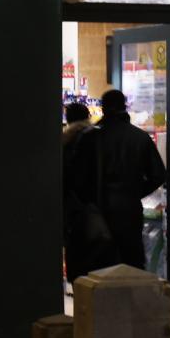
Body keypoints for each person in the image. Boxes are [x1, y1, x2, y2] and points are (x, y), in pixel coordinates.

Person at [73, 89, 166, 272]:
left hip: (99, 214)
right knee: (131, 266)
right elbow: (158, 175)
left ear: (103, 108)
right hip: (129, 212)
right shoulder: (140, 138)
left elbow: (78, 180)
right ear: (125, 107)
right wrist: (135, 191)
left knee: (100, 269)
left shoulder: (90, 138)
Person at [62, 102, 97, 282]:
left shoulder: (64, 141)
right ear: (88, 116)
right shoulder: (97, 137)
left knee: (76, 253)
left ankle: (79, 289)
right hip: (95, 207)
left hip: (71, 209)